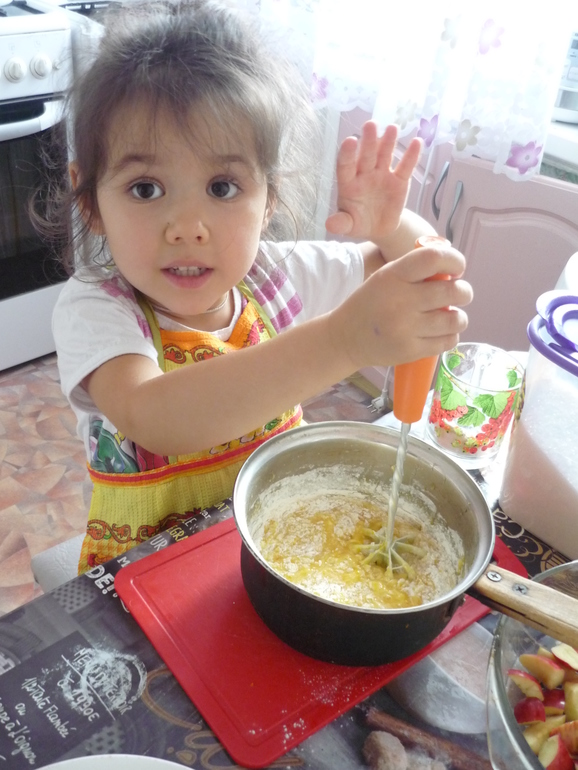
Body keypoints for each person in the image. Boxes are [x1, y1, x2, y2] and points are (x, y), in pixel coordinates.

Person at [45, 0, 473, 572]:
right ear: (91, 201)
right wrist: (342, 341)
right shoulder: (96, 308)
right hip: (146, 575)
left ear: (269, 197)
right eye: (146, 188)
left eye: (222, 187)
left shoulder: (273, 276)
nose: (188, 228)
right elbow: (155, 417)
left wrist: (390, 226)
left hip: (274, 546)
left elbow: (423, 267)